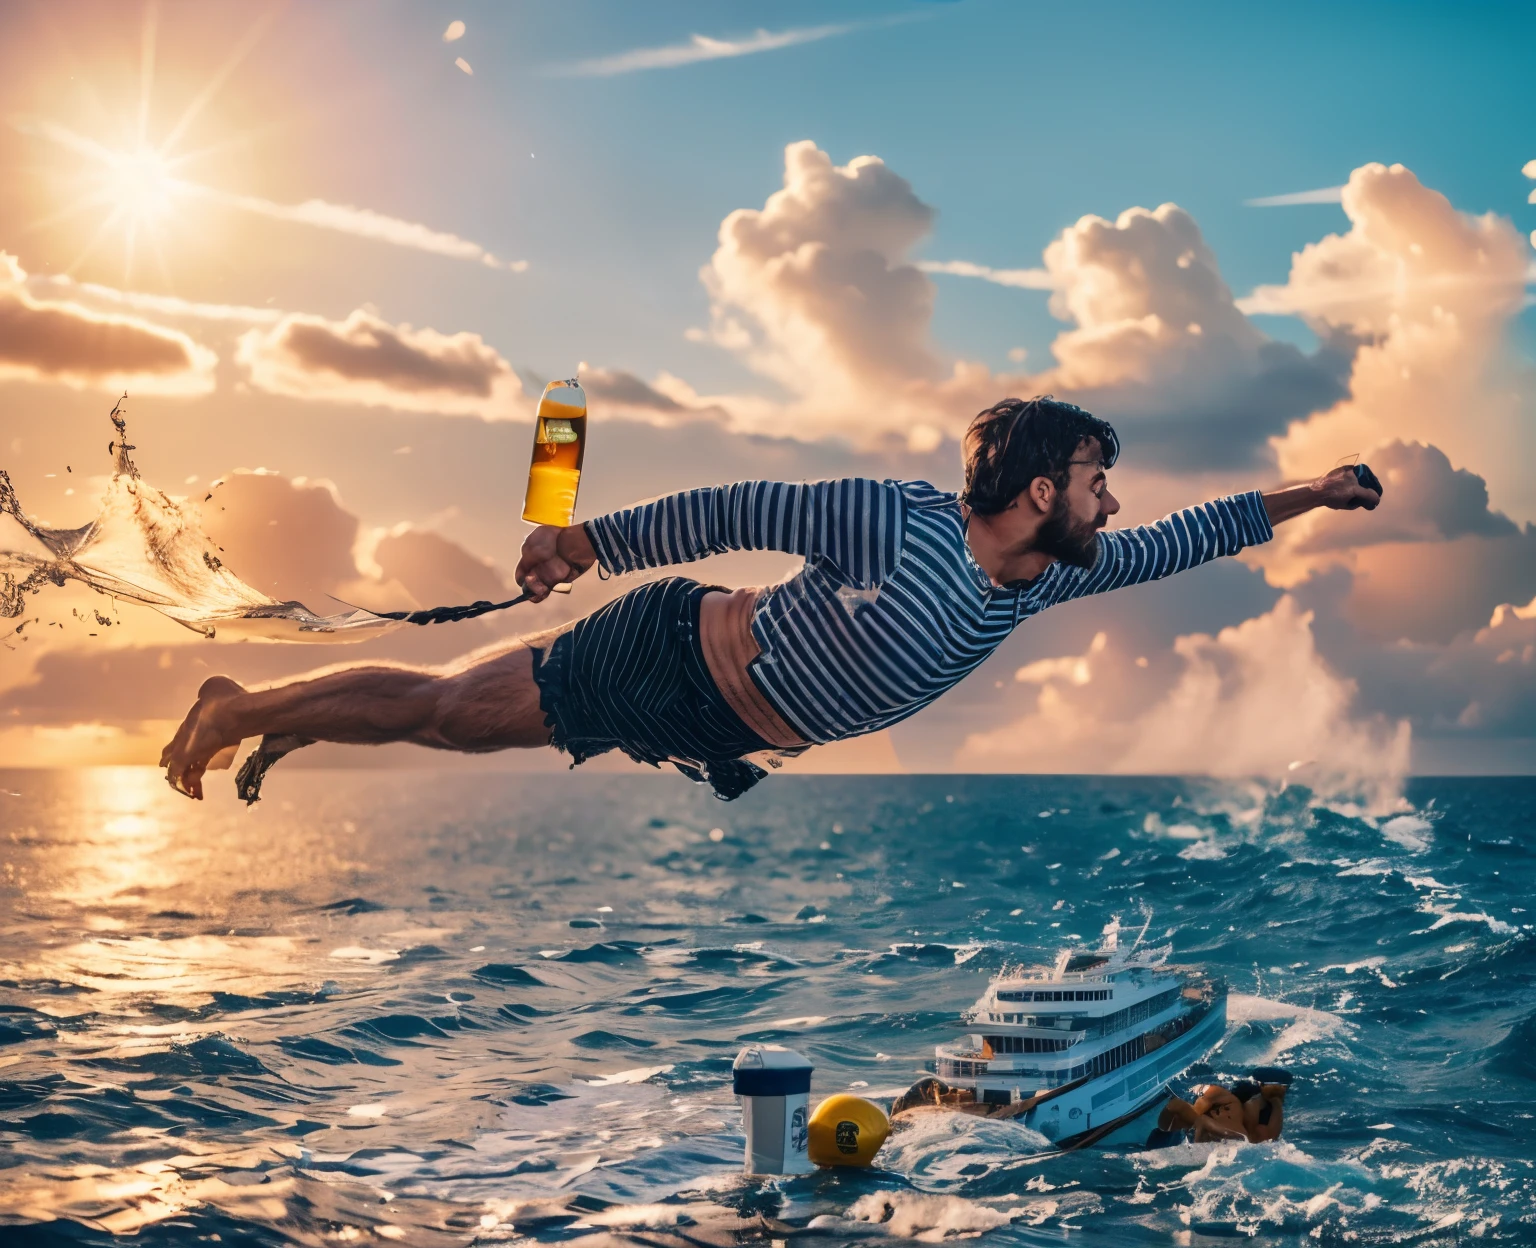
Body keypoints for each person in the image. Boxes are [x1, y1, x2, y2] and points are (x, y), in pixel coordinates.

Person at [160, 396, 1384, 800]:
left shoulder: (1039, 583)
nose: (1111, 504)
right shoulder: (898, 523)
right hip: (675, 658)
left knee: (451, 727)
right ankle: (242, 702)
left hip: (719, 730)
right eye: (1094, 480)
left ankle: (293, 720)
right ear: (1027, 484)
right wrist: (587, 537)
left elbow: (1194, 535)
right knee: (447, 715)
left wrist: (1315, 493)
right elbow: (736, 512)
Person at [1150, 1068, 1291, 1145]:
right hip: (1228, 1136)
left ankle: (1273, 1095)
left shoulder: (1233, 1104)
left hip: (1230, 1136)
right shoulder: (1231, 1102)